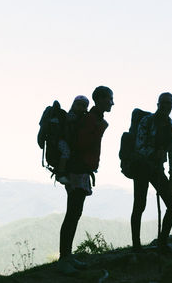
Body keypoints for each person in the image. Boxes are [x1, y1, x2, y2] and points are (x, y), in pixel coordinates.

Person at [58, 86, 114, 274]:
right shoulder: (91, 119)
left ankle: (67, 256)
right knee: (72, 213)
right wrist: (100, 129)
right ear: (99, 99)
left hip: (80, 170)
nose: (112, 103)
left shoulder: (93, 118)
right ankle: (64, 259)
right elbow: (81, 144)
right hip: (77, 171)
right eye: (109, 99)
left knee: (75, 213)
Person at [131, 92, 172, 254]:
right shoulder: (147, 121)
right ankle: (137, 247)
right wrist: (154, 154)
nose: (166, 106)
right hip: (142, 168)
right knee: (139, 205)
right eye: (163, 103)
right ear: (158, 104)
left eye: (169, 103)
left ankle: (162, 243)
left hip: (157, 169)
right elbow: (139, 146)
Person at [56, 95, 89, 185]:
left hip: (67, 141)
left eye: (83, 106)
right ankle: (60, 173)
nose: (80, 107)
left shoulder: (81, 117)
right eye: (78, 105)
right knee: (66, 152)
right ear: (74, 105)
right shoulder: (71, 116)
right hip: (62, 140)